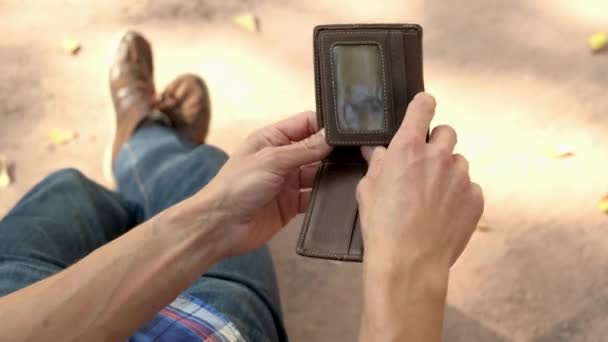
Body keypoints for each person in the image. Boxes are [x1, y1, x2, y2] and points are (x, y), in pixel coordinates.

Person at [0, 31, 483, 341]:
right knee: (196, 167)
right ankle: (145, 141)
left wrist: (210, 220)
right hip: (211, 326)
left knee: (68, 190)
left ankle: (143, 139)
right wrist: (412, 272)